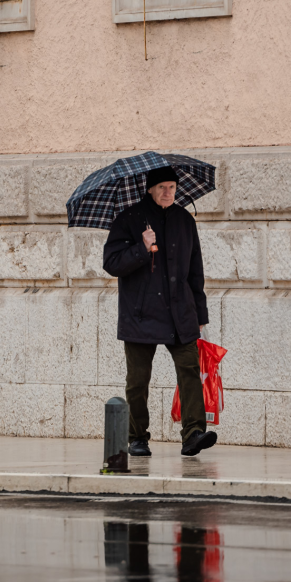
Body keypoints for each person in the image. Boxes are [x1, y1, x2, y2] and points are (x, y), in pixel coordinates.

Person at [103, 166, 217, 457]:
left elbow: (195, 271)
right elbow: (112, 262)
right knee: (138, 381)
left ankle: (193, 433)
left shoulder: (184, 220)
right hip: (140, 314)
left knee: (189, 372)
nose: (168, 193)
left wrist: (200, 314)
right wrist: (142, 247)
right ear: (150, 189)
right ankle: (137, 437)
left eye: (172, 187)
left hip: (181, 313)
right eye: (162, 187)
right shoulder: (128, 220)